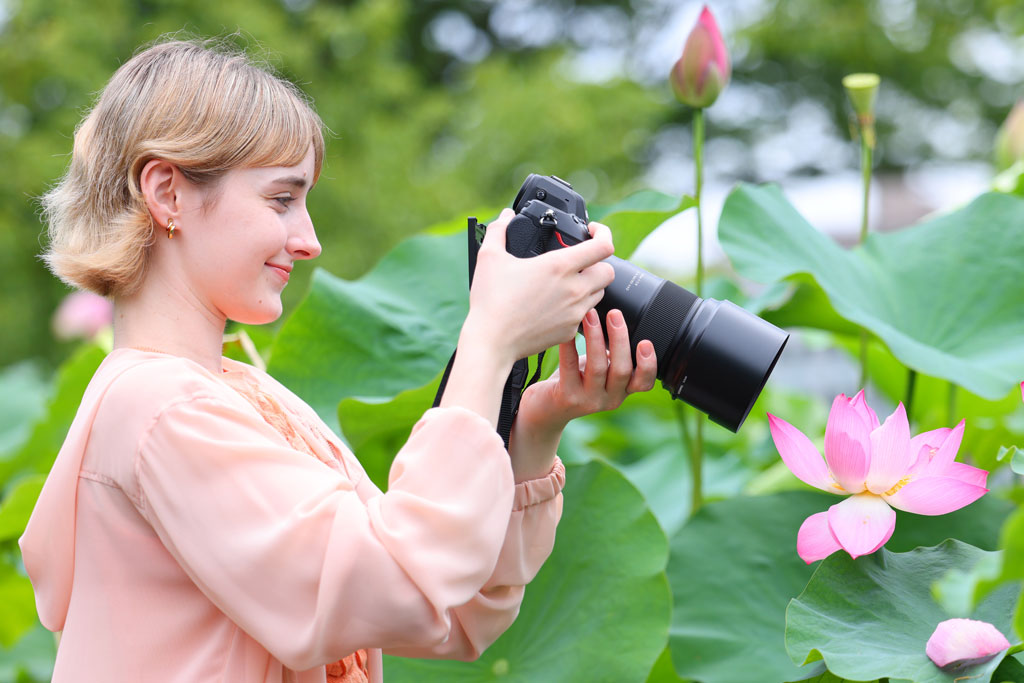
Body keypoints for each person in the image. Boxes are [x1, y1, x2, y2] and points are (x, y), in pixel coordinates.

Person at [19, 37, 658, 682]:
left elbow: (448, 611)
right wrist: (489, 340)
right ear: (167, 194)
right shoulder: (161, 409)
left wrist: (535, 424)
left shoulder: (241, 395)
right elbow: (407, 580)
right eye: (279, 200)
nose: (310, 241)